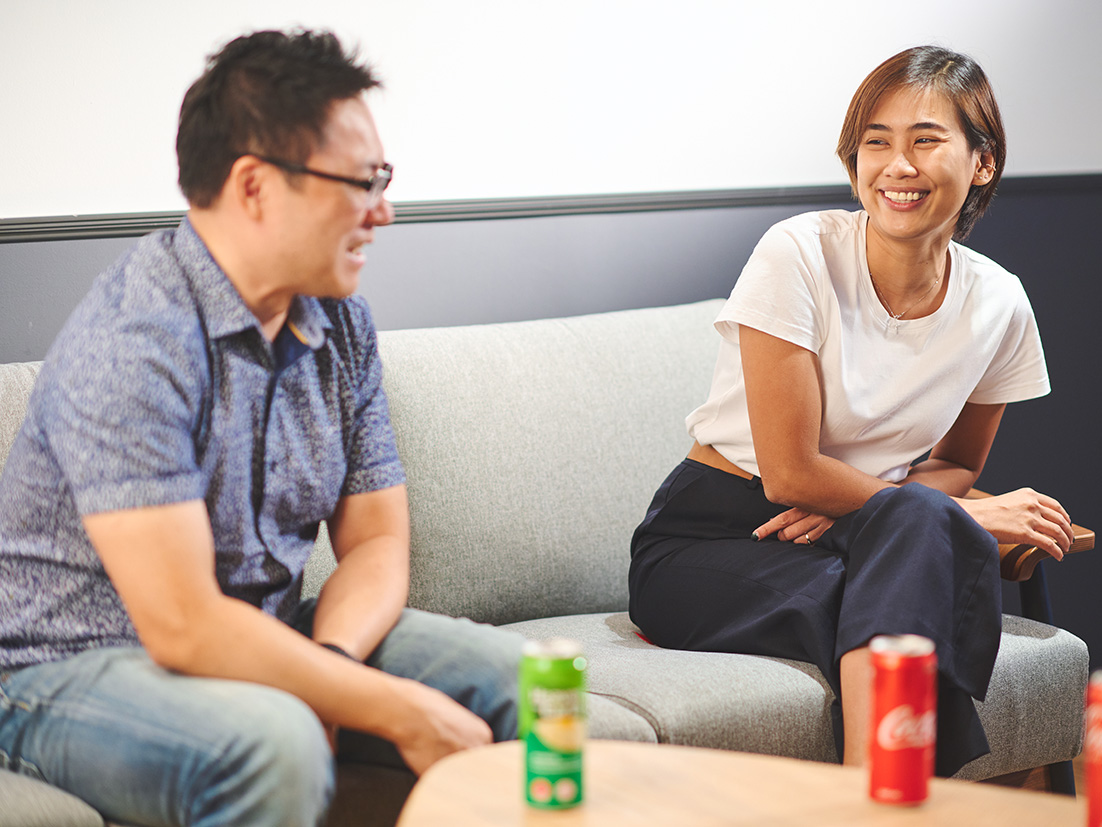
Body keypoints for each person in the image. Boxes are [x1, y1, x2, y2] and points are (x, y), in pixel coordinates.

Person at [0, 29, 522, 826]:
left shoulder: (339, 324)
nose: (383, 211)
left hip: (265, 633)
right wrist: (385, 704)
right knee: (275, 741)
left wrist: (333, 667)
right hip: (70, 669)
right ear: (255, 186)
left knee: (521, 679)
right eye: (363, 181)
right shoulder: (135, 339)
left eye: (383, 179)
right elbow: (183, 626)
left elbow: (378, 542)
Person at [628, 45, 1075, 777]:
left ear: (983, 162)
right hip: (715, 537)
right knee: (919, 582)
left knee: (912, 552)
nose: (897, 166)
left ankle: (879, 796)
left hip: (863, 533)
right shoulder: (798, 253)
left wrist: (887, 510)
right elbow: (790, 474)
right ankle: (894, 796)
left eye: (925, 140)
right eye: (876, 142)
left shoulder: (999, 301)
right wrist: (961, 518)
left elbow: (957, 464)